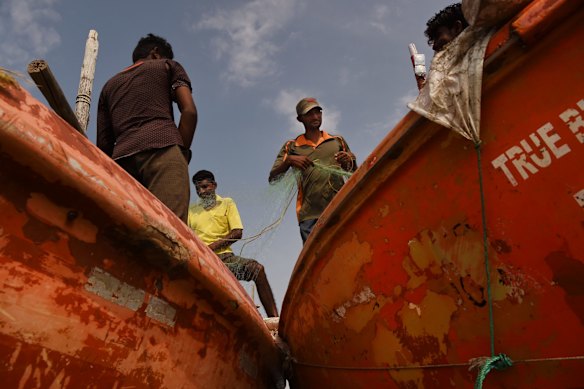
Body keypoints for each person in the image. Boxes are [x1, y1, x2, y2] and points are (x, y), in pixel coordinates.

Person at [97, 33, 197, 223]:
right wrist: (181, 153)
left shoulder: (109, 86)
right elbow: (189, 111)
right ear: (156, 53)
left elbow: (103, 145)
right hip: (163, 149)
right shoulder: (167, 66)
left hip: (121, 163)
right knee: (170, 230)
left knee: (125, 230)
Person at [188, 170, 279, 318]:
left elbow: (237, 232)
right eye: (198, 188)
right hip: (202, 259)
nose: (201, 192)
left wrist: (211, 248)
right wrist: (201, 252)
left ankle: (275, 321)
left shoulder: (227, 203)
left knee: (257, 269)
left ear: (214, 185)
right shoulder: (191, 210)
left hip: (226, 259)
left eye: (205, 187)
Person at [269, 97, 356, 244]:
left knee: (349, 247)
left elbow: (354, 172)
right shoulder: (291, 146)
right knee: (320, 258)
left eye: (318, 112)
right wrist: (289, 160)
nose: (315, 117)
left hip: (341, 206)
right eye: (309, 114)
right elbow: (272, 178)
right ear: (300, 119)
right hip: (310, 216)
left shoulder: (337, 141)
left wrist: (349, 160)